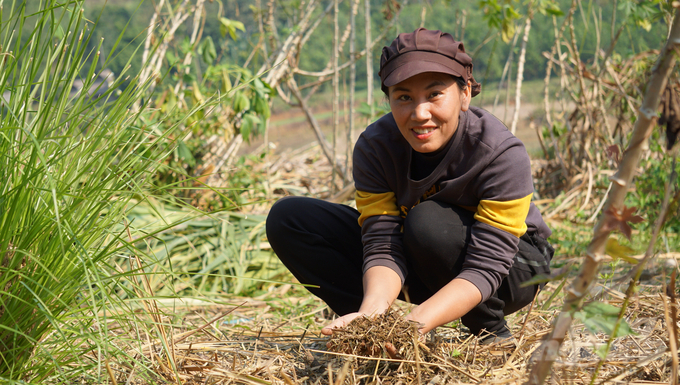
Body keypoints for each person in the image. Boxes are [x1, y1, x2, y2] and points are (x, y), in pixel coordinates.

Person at [265, 28, 553, 344]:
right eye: (404, 97)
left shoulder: (499, 152)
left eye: (434, 94)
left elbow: (487, 265)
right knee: (290, 219)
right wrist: (373, 311)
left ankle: (490, 332)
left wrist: (413, 325)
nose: (419, 113)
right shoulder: (376, 148)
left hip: (512, 268)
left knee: (428, 222)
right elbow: (381, 240)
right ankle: (368, 332)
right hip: (422, 256)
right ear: (388, 99)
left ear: (465, 93)